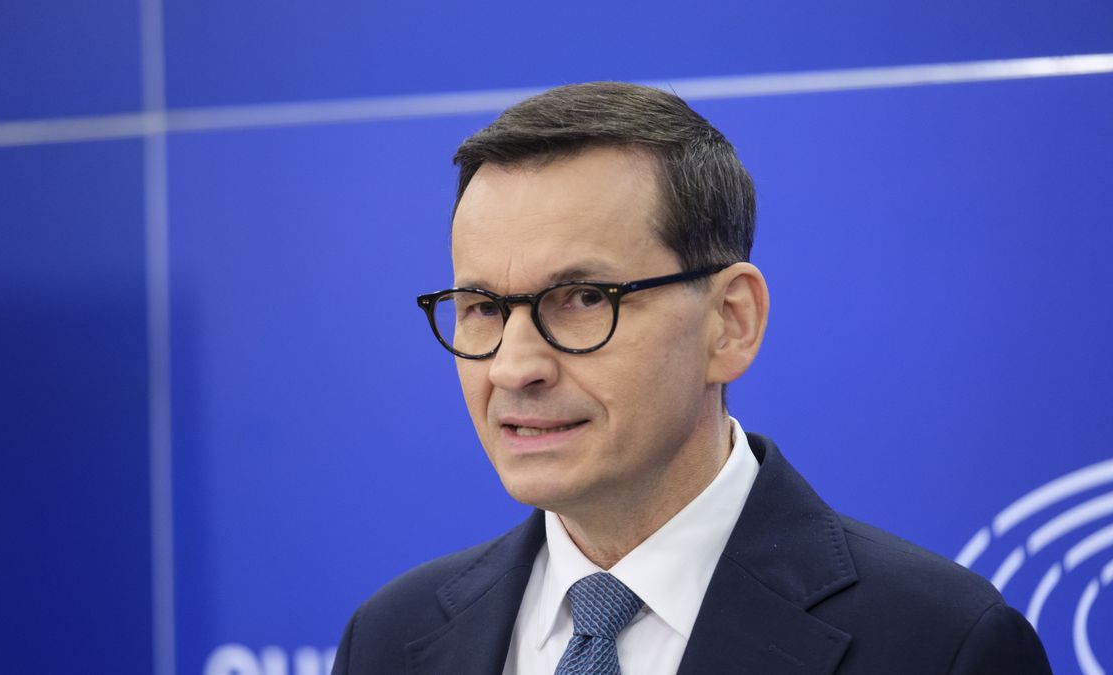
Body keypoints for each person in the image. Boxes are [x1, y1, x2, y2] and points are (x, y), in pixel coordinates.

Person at [331, 82, 1051, 674]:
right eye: (483, 307)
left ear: (730, 322)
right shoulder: (389, 640)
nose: (516, 367)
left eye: (584, 298)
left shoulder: (942, 644)